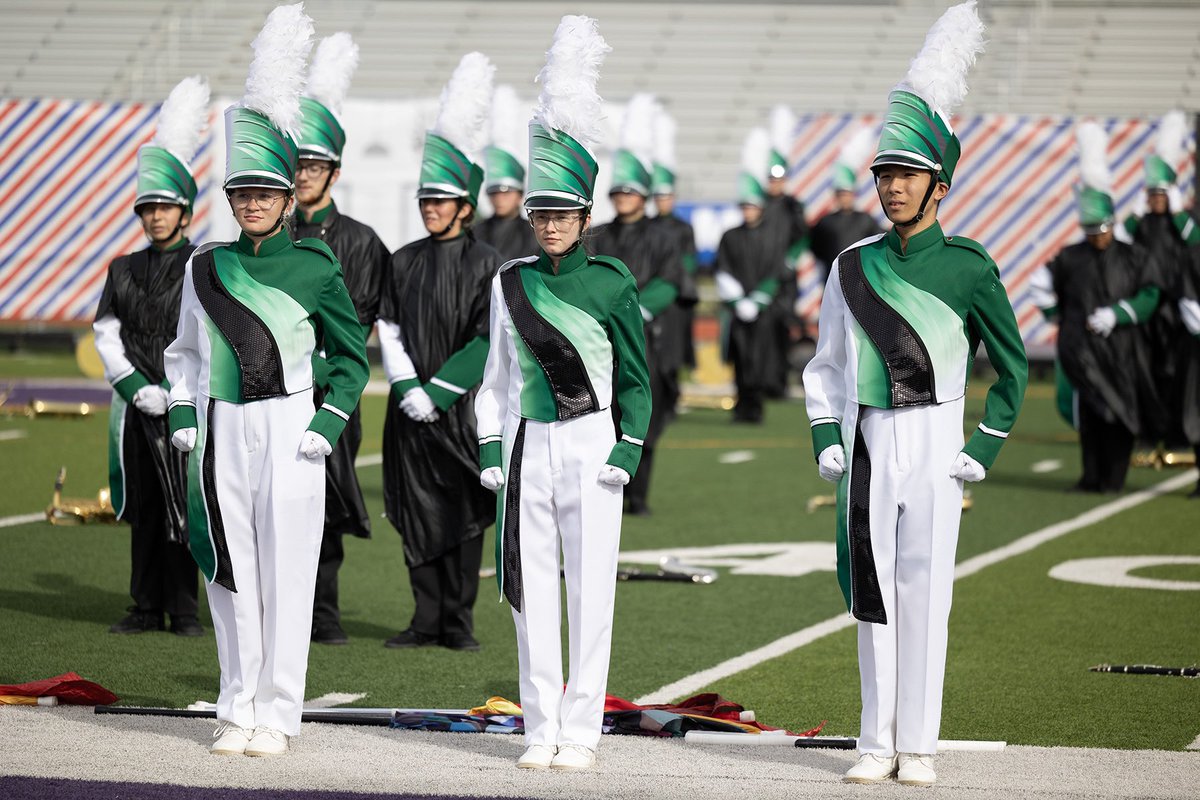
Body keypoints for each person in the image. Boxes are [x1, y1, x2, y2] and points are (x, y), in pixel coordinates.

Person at [802, 2, 1027, 786]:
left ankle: (919, 746)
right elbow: (825, 364)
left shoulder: (969, 265)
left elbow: (1014, 361)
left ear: (940, 184)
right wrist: (826, 434)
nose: (892, 187)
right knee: (872, 594)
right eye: (885, 174)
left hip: (937, 439)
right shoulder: (851, 265)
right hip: (869, 440)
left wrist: (985, 443)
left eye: (907, 175)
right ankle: (874, 742)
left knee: (926, 595)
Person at [164, 4, 369, 757]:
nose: (251, 204)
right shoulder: (206, 266)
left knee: (287, 575)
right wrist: (184, 409)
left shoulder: (317, 267)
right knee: (228, 569)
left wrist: (327, 423)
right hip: (222, 429)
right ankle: (236, 703)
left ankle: (280, 713)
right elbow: (182, 353)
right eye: (240, 195)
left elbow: (352, 357)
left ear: (288, 197)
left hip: (291, 429)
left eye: (265, 193)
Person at [475, 15, 649, 772]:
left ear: (585, 217)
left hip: (593, 444)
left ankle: (581, 729)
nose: (549, 224)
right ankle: (539, 724)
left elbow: (641, 378)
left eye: (563, 213)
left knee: (591, 599)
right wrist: (491, 449)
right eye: (541, 213)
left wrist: (627, 448)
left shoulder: (611, 283)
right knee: (529, 595)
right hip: (527, 448)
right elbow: (495, 383)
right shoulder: (507, 283)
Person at [377, 52, 500, 652]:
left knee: (465, 514)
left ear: (465, 206)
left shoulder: (488, 264)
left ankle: (458, 621)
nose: (430, 207)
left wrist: (440, 392)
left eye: (442, 199)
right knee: (415, 511)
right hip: (408, 412)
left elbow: (488, 338)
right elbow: (388, 326)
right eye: (426, 198)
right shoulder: (401, 260)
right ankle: (424, 618)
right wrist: (407, 391)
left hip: (464, 411)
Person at [93, 76, 207, 638]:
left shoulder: (205, 263)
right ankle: (143, 605)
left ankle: (184, 609)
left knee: (185, 505)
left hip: (189, 404)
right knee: (141, 503)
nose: (155, 217)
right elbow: (105, 330)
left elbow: (211, 336)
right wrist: (134, 385)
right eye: (148, 209)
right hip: (136, 402)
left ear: (185, 212)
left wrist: (178, 391)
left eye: (165, 208)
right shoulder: (122, 268)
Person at [292, 32, 389, 646]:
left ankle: (322, 612)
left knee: (324, 499)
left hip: (333, 389)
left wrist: (324, 366)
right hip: (267, 387)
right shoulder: (266, 236)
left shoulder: (360, 240)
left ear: (334, 172)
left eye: (314, 166)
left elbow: (367, 317)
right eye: (296, 165)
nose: (303, 176)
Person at [1031, 122, 1160, 494]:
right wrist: (1059, 317)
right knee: (1089, 416)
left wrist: (1118, 314)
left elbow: (1151, 294)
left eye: (1101, 229)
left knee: (1119, 413)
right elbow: (1041, 283)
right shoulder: (1072, 256)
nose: (1097, 237)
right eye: (1090, 231)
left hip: (1120, 350)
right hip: (1082, 350)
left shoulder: (1134, 257)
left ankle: (1114, 479)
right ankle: (1090, 476)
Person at [590, 92, 683, 516]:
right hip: (600, 345)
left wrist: (635, 310)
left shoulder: (664, 237)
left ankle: (639, 495)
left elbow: (672, 281)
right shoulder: (600, 235)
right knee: (602, 419)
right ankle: (606, 490)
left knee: (645, 419)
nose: (623, 197)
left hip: (650, 341)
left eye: (630, 191)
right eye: (618, 191)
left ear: (643, 194)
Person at [1121, 111, 1200, 450]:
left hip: (1178, 312)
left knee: (1178, 374)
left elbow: (1195, 242)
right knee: (1147, 372)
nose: (1154, 199)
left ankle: (1179, 433)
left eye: (1160, 193)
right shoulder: (1142, 224)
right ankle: (1149, 430)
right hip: (1148, 309)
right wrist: (1137, 212)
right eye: (1150, 193)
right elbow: (1120, 243)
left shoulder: (1181, 222)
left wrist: (1178, 209)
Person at [714, 128, 793, 424]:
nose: (748, 211)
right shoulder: (730, 236)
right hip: (738, 308)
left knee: (759, 359)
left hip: (762, 309)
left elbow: (776, 272)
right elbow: (722, 268)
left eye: (752, 206)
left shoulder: (772, 238)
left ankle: (755, 407)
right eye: (744, 206)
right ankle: (740, 405)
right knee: (739, 357)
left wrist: (758, 299)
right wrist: (737, 298)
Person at [759, 103, 809, 397]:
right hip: (763, 273)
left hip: (785, 278)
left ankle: (779, 380)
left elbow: (802, 237)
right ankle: (763, 380)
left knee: (782, 327)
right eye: (771, 178)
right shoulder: (760, 204)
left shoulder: (793, 205)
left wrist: (791, 259)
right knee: (761, 331)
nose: (775, 184)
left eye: (779, 178)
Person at [650, 105, 700, 397]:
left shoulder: (683, 228)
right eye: (658, 196)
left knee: (674, 347)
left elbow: (688, 262)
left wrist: (670, 281)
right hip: (654, 290)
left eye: (667, 196)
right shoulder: (650, 226)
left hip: (675, 295)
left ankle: (673, 391)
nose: (662, 201)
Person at [809, 125, 883, 286]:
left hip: (861, 281)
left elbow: (879, 244)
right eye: (841, 194)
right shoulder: (825, 222)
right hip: (833, 280)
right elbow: (816, 248)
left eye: (847, 193)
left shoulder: (866, 220)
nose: (844, 198)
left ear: (854, 194)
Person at [474, 84, 538, 263]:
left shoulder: (534, 233)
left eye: (507, 192)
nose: (500, 198)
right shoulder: (475, 233)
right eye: (494, 193)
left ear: (520, 195)